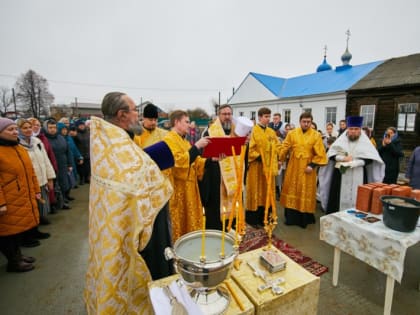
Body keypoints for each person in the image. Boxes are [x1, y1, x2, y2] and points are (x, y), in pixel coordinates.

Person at [84, 92, 173, 315]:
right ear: (122, 114)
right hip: (133, 228)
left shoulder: (108, 138)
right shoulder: (114, 142)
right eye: (135, 110)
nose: (138, 115)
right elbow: (131, 178)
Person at [134, 103, 173, 280]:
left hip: (161, 184)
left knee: (162, 224)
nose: (153, 123)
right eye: (150, 119)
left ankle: (165, 254)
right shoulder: (135, 136)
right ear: (143, 119)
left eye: (156, 119)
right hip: (144, 187)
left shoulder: (164, 134)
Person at [319, 116, 385, 213]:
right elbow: (331, 155)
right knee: (337, 201)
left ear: (360, 130)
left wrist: (356, 163)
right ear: (347, 129)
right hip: (340, 176)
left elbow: (372, 159)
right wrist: (342, 158)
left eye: (356, 129)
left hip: (359, 174)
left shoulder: (366, 142)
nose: (353, 131)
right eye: (351, 129)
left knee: (359, 200)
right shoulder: (340, 141)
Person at [0, 118, 41, 272]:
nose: (15, 132)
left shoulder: (19, 148)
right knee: (8, 233)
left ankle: (18, 255)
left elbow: (31, 173)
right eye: (9, 130)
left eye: (14, 129)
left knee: (17, 230)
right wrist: (1, 203)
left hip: (23, 196)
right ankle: (13, 262)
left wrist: (36, 190)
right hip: (8, 200)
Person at [163, 110, 210, 241]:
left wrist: (212, 160)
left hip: (190, 188)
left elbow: (196, 162)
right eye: (187, 122)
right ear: (176, 122)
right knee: (181, 222)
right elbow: (177, 162)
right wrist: (196, 147)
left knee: (191, 222)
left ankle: (191, 246)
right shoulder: (169, 139)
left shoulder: (184, 141)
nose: (189, 125)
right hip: (179, 190)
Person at [278, 112, 327, 228]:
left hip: (307, 169)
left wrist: (312, 165)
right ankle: (291, 218)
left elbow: (320, 154)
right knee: (292, 189)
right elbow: (285, 147)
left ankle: (304, 219)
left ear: (311, 122)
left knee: (305, 191)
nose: (306, 124)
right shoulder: (292, 133)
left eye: (308, 122)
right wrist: (280, 158)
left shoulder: (316, 135)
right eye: (304, 122)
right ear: (300, 122)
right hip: (293, 167)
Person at [199, 105, 241, 230]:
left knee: (234, 203)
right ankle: (216, 230)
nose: (227, 117)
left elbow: (241, 153)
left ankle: (231, 228)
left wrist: (245, 144)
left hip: (233, 175)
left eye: (229, 114)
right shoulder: (209, 132)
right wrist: (213, 158)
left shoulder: (237, 132)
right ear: (219, 115)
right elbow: (203, 155)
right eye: (224, 114)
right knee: (216, 206)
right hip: (216, 175)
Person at [246, 107, 282, 227]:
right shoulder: (253, 131)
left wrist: (279, 155)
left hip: (269, 167)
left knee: (267, 191)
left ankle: (266, 217)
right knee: (256, 191)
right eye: (266, 117)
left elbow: (278, 146)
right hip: (256, 167)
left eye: (269, 117)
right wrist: (262, 157)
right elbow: (249, 150)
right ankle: (254, 219)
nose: (268, 119)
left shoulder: (271, 132)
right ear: (260, 117)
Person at [73, 120, 90, 185]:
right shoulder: (76, 133)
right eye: (80, 125)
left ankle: (86, 178)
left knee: (87, 167)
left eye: (83, 125)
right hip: (80, 153)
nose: (82, 126)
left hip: (87, 153)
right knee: (81, 167)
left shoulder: (88, 132)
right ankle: (81, 179)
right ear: (77, 126)